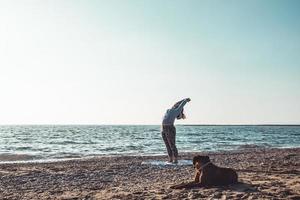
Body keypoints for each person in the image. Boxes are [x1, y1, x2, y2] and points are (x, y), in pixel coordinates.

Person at [162, 98, 191, 163]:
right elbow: (177, 103)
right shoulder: (169, 110)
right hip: (163, 128)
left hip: (170, 128)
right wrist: (184, 99)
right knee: (167, 145)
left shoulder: (176, 111)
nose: (175, 105)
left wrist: (186, 100)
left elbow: (181, 105)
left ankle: (175, 159)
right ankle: (170, 159)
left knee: (172, 144)